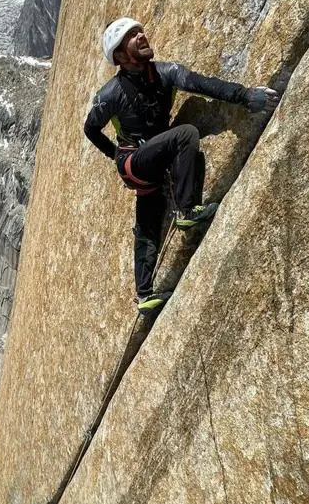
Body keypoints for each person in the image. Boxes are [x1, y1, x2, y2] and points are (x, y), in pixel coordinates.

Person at [84, 17, 279, 313]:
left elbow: (203, 84)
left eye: (140, 31)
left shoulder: (166, 72)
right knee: (186, 134)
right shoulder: (109, 95)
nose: (141, 36)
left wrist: (244, 96)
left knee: (148, 220)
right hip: (132, 162)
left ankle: (145, 294)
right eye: (131, 36)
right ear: (121, 57)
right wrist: (115, 155)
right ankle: (187, 210)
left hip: (147, 163)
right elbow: (90, 129)